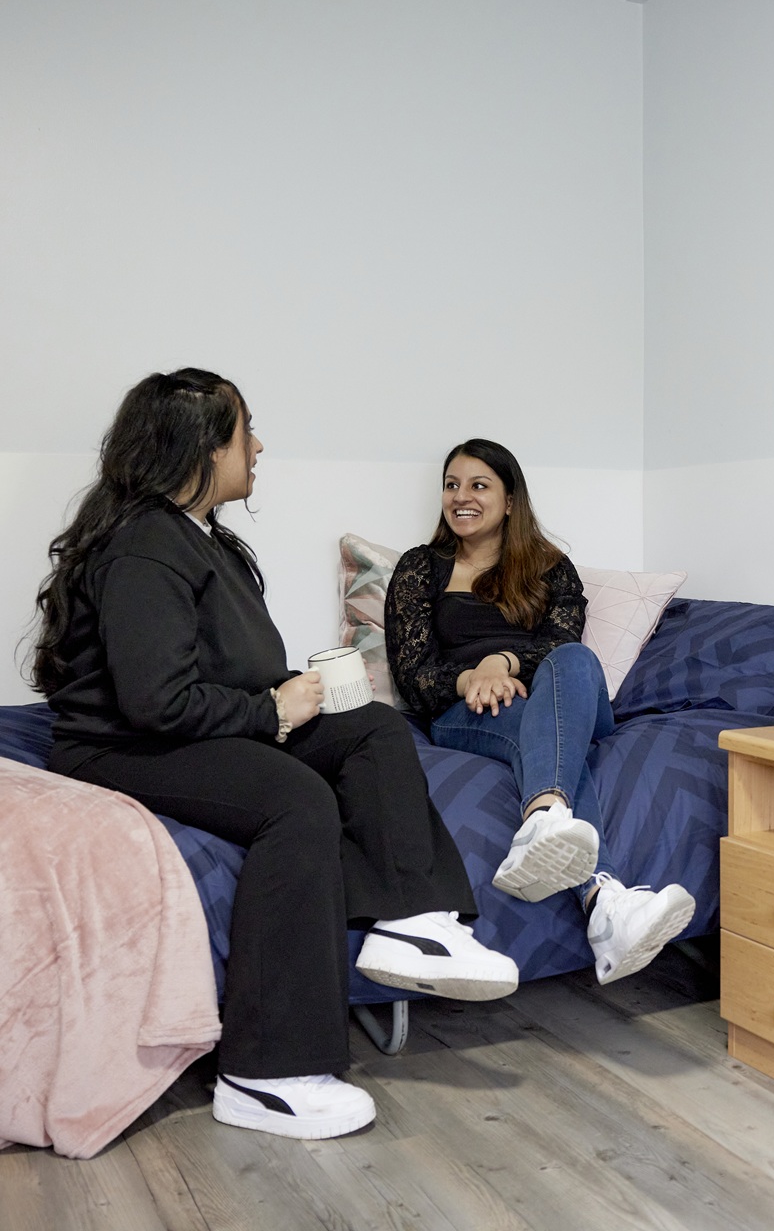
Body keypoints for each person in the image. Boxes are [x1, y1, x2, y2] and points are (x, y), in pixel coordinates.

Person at [31, 371, 517, 1143]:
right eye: (244, 430)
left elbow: (210, 664)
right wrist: (268, 711)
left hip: (202, 721)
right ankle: (266, 1074)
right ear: (202, 445)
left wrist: (288, 690)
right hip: (121, 746)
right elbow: (153, 702)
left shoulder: (204, 537)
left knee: (375, 729)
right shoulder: (147, 542)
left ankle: (411, 920)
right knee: (296, 801)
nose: (257, 445)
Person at [384, 439, 696, 986]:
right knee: (553, 751)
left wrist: (501, 660)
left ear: (509, 500)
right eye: (452, 485)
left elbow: (560, 646)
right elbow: (412, 672)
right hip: (468, 711)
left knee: (574, 660)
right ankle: (604, 902)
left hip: (562, 698)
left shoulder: (552, 568)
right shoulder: (419, 568)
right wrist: (472, 679)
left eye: (479, 486)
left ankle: (545, 824)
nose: (461, 497)